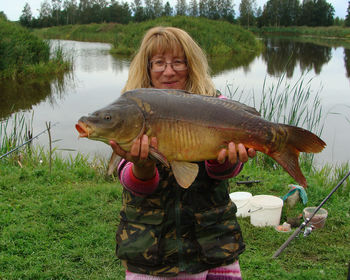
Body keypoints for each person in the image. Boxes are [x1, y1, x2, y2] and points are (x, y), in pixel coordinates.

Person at [109, 26, 256, 280]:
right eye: (159, 63)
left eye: (178, 62)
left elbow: (224, 171)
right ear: (147, 67)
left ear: (192, 65)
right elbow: (129, 178)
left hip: (213, 242)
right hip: (151, 252)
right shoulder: (131, 109)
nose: (168, 71)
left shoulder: (216, 103)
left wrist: (222, 162)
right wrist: (143, 167)